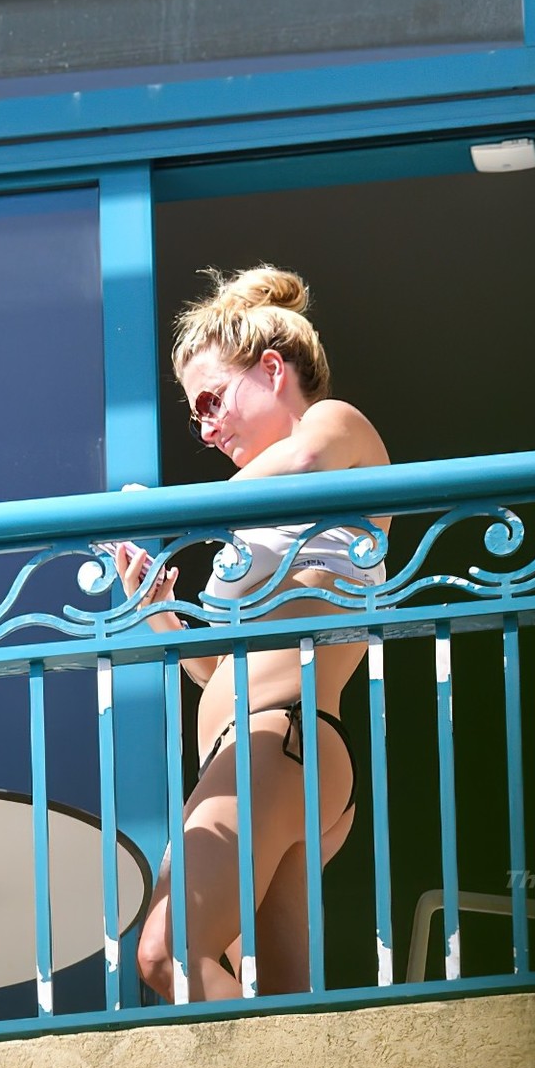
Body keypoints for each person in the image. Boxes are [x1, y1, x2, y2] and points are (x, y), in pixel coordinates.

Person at [120, 265, 390, 1001]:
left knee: (167, 954)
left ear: (273, 370)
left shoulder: (333, 426)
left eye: (212, 400)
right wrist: (158, 609)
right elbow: (214, 669)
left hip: (276, 739)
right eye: (196, 416)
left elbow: (302, 460)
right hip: (259, 748)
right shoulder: (246, 527)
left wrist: (173, 511)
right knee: (276, 1007)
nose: (206, 428)